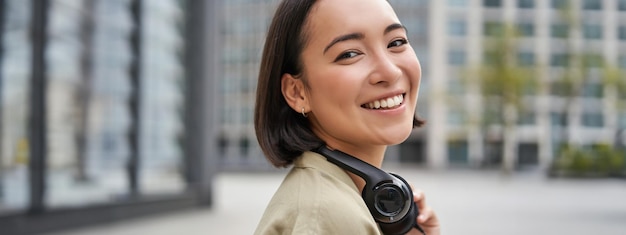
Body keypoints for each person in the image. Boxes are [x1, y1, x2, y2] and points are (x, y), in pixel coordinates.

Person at [253, 0, 440, 234]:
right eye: (350, 53)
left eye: (396, 42)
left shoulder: (330, 199)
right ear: (297, 92)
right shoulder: (328, 215)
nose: (390, 72)